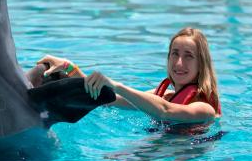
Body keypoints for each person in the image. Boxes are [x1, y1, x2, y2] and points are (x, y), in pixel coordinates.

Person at [37, 27, 221, 124]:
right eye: (175, 54)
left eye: (188, 56)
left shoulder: (204, 108)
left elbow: (166, 112)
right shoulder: (163, 95)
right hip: (156, 154)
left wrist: (116, 85)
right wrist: (69, 68)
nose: (179, 63)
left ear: (201, 64)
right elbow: (108, 100)